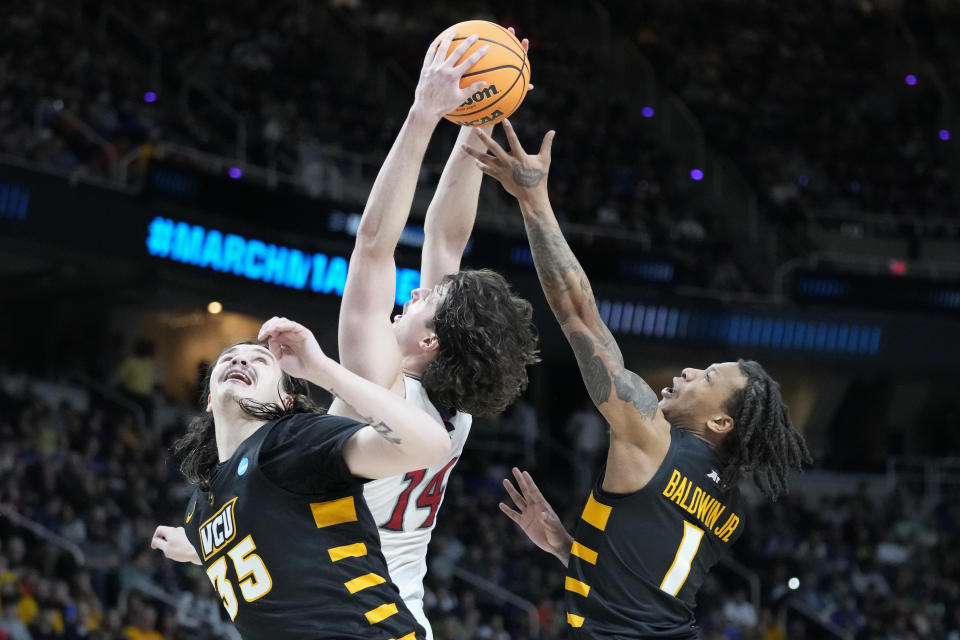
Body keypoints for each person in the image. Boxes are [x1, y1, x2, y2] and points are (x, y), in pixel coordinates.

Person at [465, 121, 811, 639]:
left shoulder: (651, 436)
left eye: (708, 376)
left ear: (720, 420)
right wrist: (564, 546)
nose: (690, 371)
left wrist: (534, 198)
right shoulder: (730, 504)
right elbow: (641, 587)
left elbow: (577, 312)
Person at [330, 26, 539, 639]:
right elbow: (446, 240)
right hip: (402, 621)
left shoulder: (383, 385)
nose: (416, 292)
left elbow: (374, 246)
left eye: (428, 301)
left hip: (357, 625)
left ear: (430, 343)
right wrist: (482, 118)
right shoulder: (452, 407)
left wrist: (426, 114)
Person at [151, 316, 455, 640]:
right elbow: (268, 535)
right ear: (210, 400)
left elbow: (431, 446)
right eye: (229, 358)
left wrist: (321, 368)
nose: (240, 359)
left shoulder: (292, 440)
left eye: (260, 361)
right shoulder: (201, 505)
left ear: (285, 401)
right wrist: (196, 548)